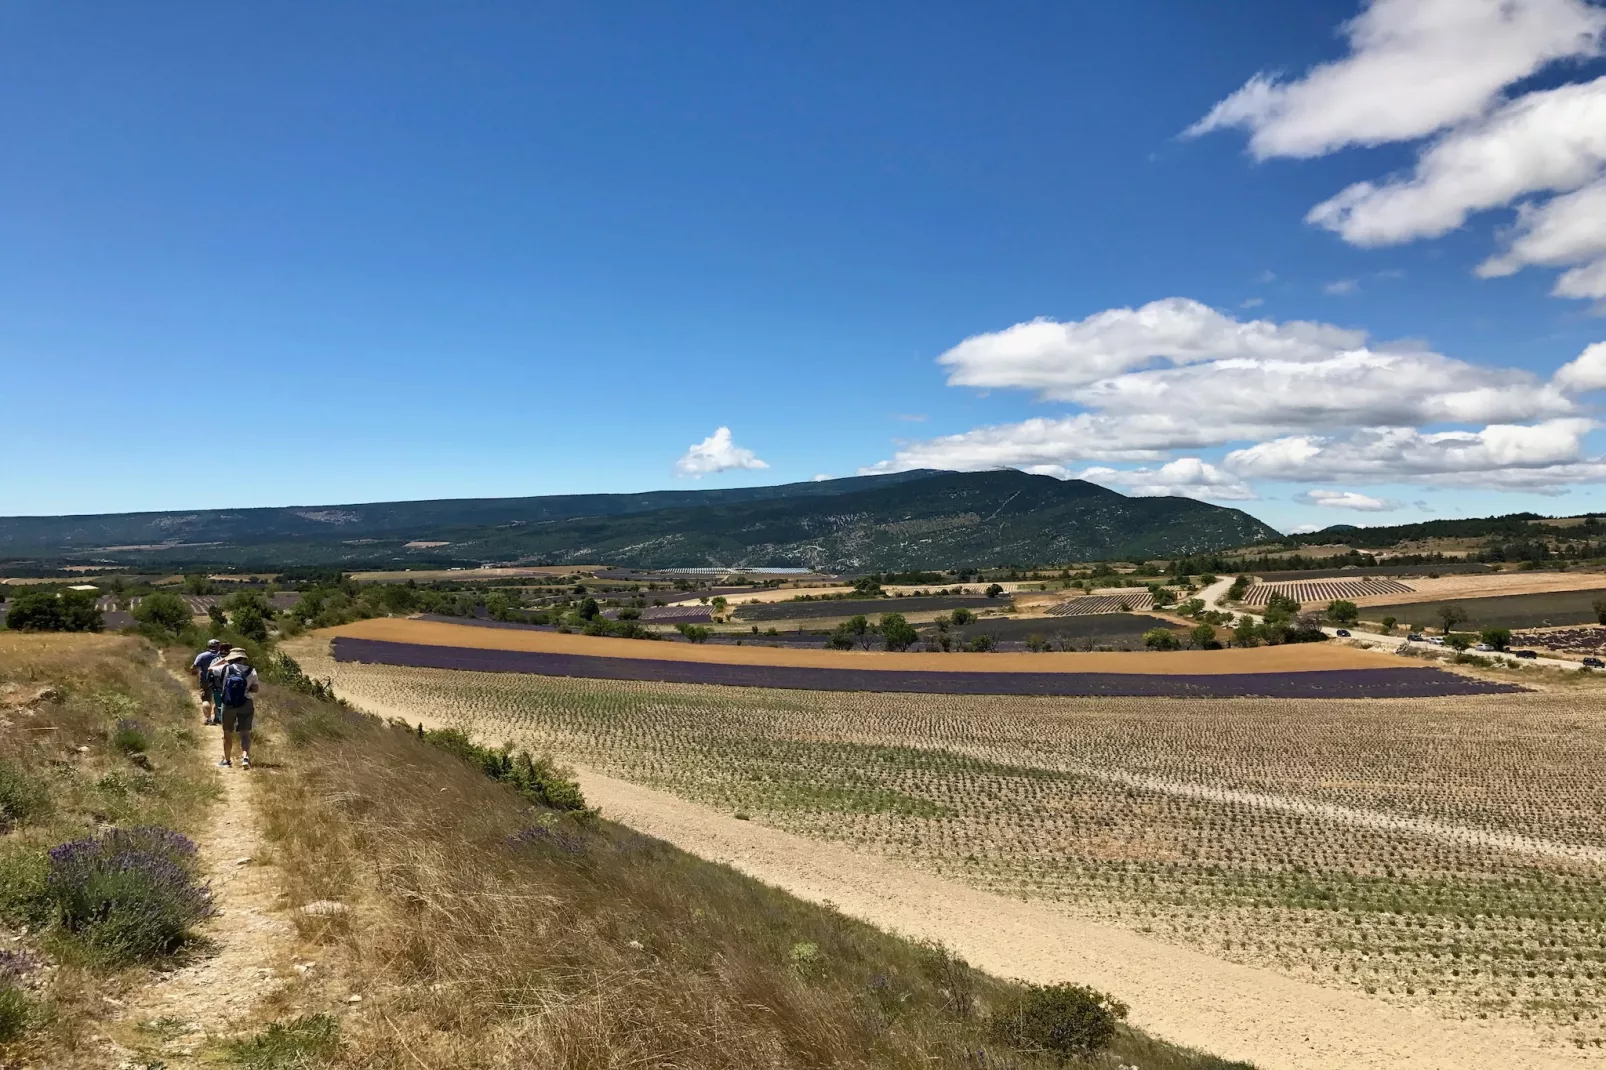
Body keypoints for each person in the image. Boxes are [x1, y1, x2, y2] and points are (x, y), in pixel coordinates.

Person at [216, 647, 259, 769]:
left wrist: (223, 660)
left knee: (227, 732)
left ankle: (227, 761)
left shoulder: (224, 668)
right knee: (244, 733)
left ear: (231, 658)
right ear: (243, 658)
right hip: (245, 703)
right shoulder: (252, 670)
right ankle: (245, 757)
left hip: (228, 704)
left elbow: (210, 669)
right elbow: (256, 689)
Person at [191, 639, 224, 726]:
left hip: (205, 680)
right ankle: (217, 718)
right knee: (218, 700)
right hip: (220, 681)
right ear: (218, 646)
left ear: (208, 646)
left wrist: (195, 672)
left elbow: (193, 667)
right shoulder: (222, 656)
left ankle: (208, 719)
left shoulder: (202, 656)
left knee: (206, 699)